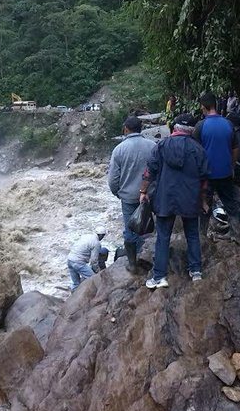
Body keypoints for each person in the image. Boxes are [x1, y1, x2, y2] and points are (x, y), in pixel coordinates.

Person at [140, 113, 210, 288]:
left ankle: (159, 277)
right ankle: (196, 271)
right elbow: (204, 178)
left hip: (165, 197)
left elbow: (150, 171)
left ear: (175, 128)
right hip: (190, 197)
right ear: (192, 130)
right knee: (192, 235)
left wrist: (143, 191)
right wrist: (202, 200)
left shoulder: (161, 146)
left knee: (163, 237)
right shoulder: (198, 149)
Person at [194, 92, 240, 244]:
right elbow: (236, 148)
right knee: (231, 204)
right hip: (225, 172)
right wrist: (231, 164)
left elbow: (195, 151)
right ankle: (237, 235)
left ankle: (201, 238)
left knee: (204, 206)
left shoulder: (200, 126)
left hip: (207, 175)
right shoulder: (228, 123)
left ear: (203, 107)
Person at [108, 116, 156, 273]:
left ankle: (133, 264)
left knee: (130, 229)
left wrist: (118, 193)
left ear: (126, 129)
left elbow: (113, 179)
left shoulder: (119, 149)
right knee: (149, 225)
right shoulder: (152, 146)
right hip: (150, 194)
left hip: (128, 197)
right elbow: (158, 170)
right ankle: (149, 257)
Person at [67, 227, 107, 291]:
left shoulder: (86, 236)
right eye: (103, 236)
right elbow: (94, 261)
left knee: (76, 284)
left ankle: (73, 296)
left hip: (70, 259)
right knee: (95, 280)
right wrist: (98, 271)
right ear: (101, 235)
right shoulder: (96, 243)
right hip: (78, 262)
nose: (103, 238)